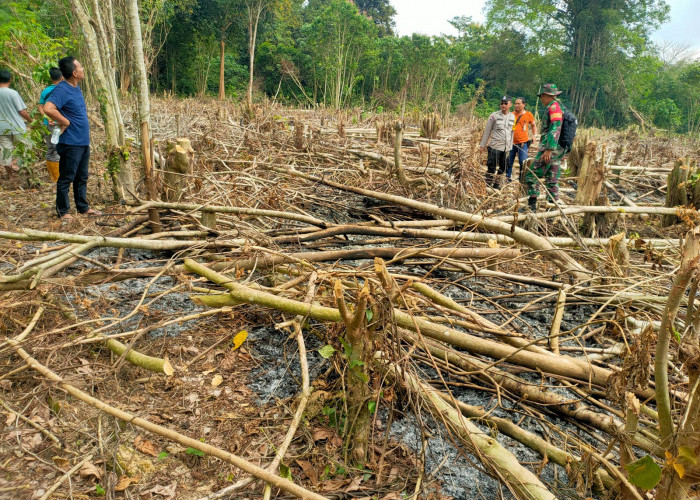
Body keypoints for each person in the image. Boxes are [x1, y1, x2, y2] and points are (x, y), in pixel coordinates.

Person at [43, 57, 101, 219]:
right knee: (66, 177)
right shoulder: (62, 89)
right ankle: (63, 211)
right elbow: (48, 108)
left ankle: (82, 207)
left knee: (81, 176)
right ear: (75, 73)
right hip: (70, 142)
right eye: (81, 67)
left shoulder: (75, 87)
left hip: (82, 141)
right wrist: (65, 121)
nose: (83, 69)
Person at [524, 83, 566, 212]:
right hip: (558, 149)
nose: (541, 99)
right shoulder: (558, 107)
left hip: (551, 149)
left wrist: (549, 149)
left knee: (531, 175)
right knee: (552, 179)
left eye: (542, 96)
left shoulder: (554, 108)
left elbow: (555, 128)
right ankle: (552, 209)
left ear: (547, 95)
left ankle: (532, 206)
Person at [0, 69, 31, 178]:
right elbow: (21, 111)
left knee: (5, 151)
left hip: (1, 128)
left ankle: (9, 176)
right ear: (10, 80)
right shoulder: (13, 93)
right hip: (17, 126)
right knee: (24, 148)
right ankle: (19, 167)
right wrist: (31, 120)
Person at [480, 96, 514, 189]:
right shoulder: (494, 116)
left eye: (505, 103)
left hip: (506, 148)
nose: (503, 105)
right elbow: (487, 131)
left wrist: (510, 147)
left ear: (510, 104)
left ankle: (496, 185)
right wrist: (482, 145)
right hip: (495, 146)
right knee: (491, 168)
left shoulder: (512, 117)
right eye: (501, 103)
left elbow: (512, 132)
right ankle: (488, 186)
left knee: (503, 168)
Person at [38, 67, 63, 183]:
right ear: (62, 76)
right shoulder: (63, 90)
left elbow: (40, 106)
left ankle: (54, 177)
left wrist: (46, 117)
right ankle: (57, 177)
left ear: (50, 77)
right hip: (60, 124)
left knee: (51, 148)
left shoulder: (46, 91)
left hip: (49, 124)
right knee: (57, 149)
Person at [507, 97, 536, 182]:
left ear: (524, 104)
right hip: (511, 143)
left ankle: (521, 178)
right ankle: (507, 178)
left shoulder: (528, 114)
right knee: (509, 161)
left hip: (523, 143)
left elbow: (533, 125)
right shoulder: (511, 114)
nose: (516, 105)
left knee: (523, 162)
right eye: (515, 103)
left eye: (518, 103)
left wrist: (534, 135)